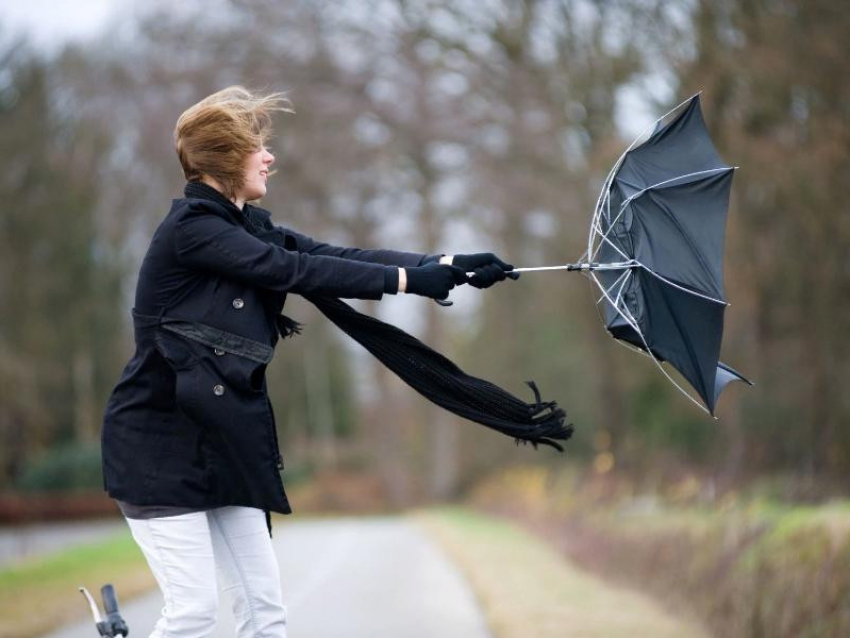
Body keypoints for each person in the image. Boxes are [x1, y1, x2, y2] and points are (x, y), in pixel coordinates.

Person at [99, 85, 516, 638]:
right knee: (193, 614)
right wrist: (410, 280)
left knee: (265, 614)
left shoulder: (248, 226)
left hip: (225, 444)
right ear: (225, 157)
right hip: (159, 448)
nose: (269, 156)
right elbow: (290, 271)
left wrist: (443, 263)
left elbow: (329, 256)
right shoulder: (193, 232)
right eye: (256, 147)